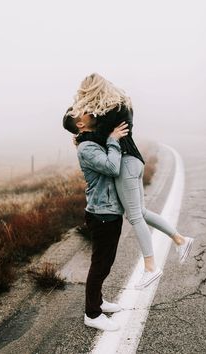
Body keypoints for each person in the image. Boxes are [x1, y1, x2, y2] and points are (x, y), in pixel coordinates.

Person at [64, 72, 194, 290]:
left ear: (93, 90)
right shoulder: (121, 106)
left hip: (125, 164)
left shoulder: (108, 115)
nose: (86, 104)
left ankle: (151, 268)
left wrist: (79, 135)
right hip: (135, 160)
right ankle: (180, 240)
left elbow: (95, 134)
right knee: (141, 212)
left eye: (86, 95)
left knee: (134, 216)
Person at [63, 112, 129, 331]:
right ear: (80, 123)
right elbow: (112, 168)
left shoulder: (89, 141)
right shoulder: (87, 148)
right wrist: (113, 140)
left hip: (107, 209)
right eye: (81, 110)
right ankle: (92, 313)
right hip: (102, 212)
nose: (89, 109)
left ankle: (98, 301)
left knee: (105, 262)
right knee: (100, 264)